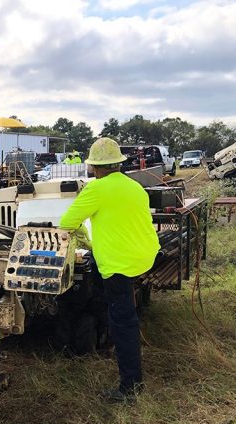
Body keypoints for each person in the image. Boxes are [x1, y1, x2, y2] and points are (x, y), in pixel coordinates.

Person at [59, 138, 159, 403]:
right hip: (144, 255)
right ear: (118, 164)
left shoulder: (97, 188)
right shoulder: (135, 186)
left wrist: (84, 240)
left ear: (94, 167)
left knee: (124, 322)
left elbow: (67, 222)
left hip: (118, 264)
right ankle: (107, 329)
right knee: (109, 301)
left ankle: (130, 388)